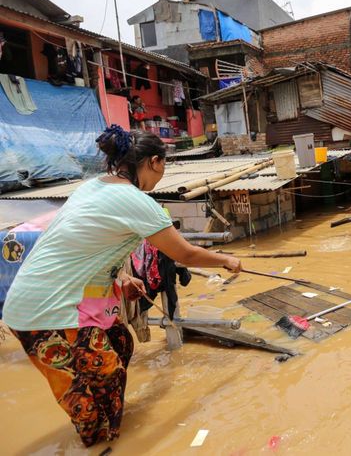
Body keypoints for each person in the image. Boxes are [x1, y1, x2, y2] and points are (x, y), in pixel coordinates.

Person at [2, 125, 242, 447]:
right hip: (47, 310)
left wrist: (123, 278)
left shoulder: (94, 187)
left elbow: (84, 247)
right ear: (155, 162)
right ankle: (100, 442)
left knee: (119, 340)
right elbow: (183, 252)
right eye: (163, 168)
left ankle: (113, 426)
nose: (161, 176)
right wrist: (224, 259)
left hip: (50, 298)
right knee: (99, 381)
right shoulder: (136, 201)